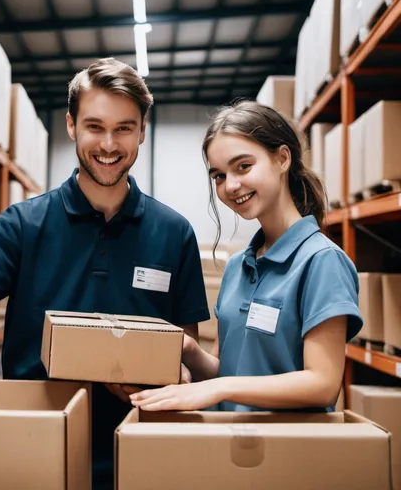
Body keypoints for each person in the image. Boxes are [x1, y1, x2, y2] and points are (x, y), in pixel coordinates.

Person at [0, 58, 209, 489]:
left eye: (124, 128)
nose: (109, 144)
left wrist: (165, 375)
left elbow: (186, 352)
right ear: (71, 126)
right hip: (35, 448)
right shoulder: (24, 224)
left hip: (138, 450)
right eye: (95, 126)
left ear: (143, 131)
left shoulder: (174, 233)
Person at [131, 100, 363, 413]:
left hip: (288, 453)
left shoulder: (321, 261)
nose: (231, 186)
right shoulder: (238, 266)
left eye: (243, 166)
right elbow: (230, 372)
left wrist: (219, 388)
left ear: (282, 159)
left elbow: (322, 384)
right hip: (230, 446)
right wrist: (189, 351)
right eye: (219, 176)